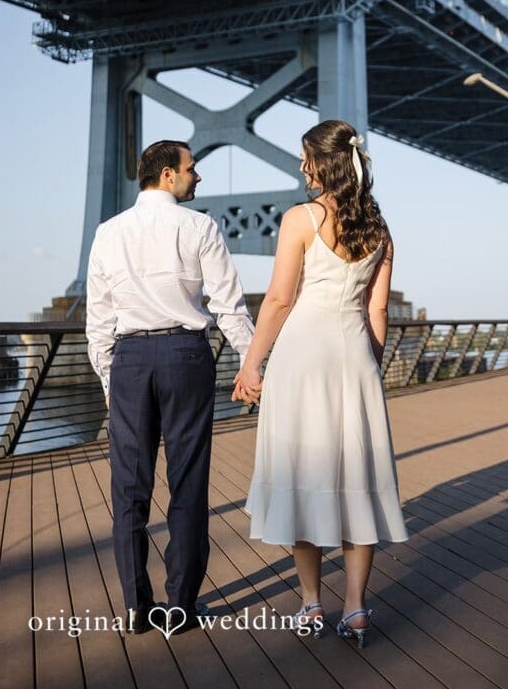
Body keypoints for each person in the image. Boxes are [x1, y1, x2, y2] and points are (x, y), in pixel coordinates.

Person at [232, 119, 408, 648]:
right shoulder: (380, 231)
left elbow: (280, 300)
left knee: (305, 474)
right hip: (354, 359)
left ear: (322, 163)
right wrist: (366, 365)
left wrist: (251, 363)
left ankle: (311, 603)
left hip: (302, 360)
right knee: (356, 477)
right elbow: (377, 310)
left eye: (306, 157)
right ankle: (355, 609)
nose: (302, 166)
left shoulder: (300, 219)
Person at [86, 140, 254, 636]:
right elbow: (229, 307)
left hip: (130, 361)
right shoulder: (200, 227)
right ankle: (180, 607)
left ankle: (137, 606)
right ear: (166, 175)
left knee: (129, 488)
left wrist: (108, 381)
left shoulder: (108, 232)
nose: (197, 176)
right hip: (186, 356)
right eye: (190, 168)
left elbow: (99, 321)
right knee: (188, 482)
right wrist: (253, 364)